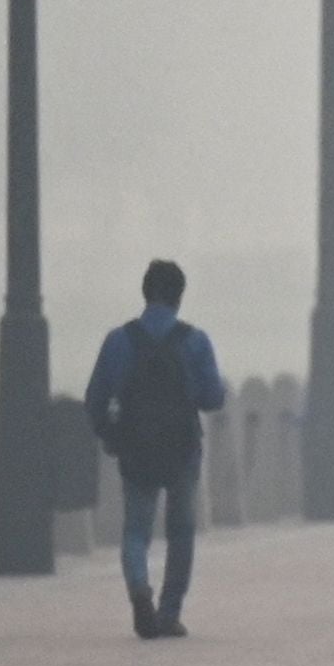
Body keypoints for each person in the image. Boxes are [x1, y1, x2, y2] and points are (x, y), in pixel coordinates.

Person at [83, 259, 227, 640]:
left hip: (136, 448)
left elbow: (95, 398)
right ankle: (169, 613)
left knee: (136, 530)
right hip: (183, 449)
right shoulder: (195, 341)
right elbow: (214, 398)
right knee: (180, 532)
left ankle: (138, 588)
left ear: (145, 292)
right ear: (180, 296)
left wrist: (109, 435)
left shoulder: (119, 340)